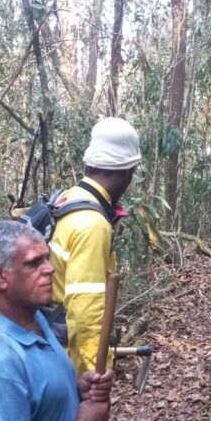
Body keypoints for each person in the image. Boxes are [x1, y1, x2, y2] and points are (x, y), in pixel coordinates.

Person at [0, 221, 114, 421]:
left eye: (47, 258)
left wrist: (75, 389)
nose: (49, 268)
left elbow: (31, 395)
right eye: (34, 263)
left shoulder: (32, 318)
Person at [49, 117, 141, 374]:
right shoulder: (92, 224)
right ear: (126, 172)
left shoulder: (67, 198)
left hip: (47, 348)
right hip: (64, 360)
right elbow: (85, 315)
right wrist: (94, 378)